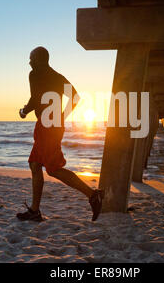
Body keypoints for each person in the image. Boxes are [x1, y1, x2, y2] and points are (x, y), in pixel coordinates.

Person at [17, 46, 104, 222]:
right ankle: (35, 211)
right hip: (52, 124)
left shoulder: (34, 74)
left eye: (32, 58)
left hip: (47, 126)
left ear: (40, 59)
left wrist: (24, 111)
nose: (29, 62)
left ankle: (93, 195)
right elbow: (76, 97)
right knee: (34, 164)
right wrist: (62, 116)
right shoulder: (57, 77)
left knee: (54, 168)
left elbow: (35, 99)